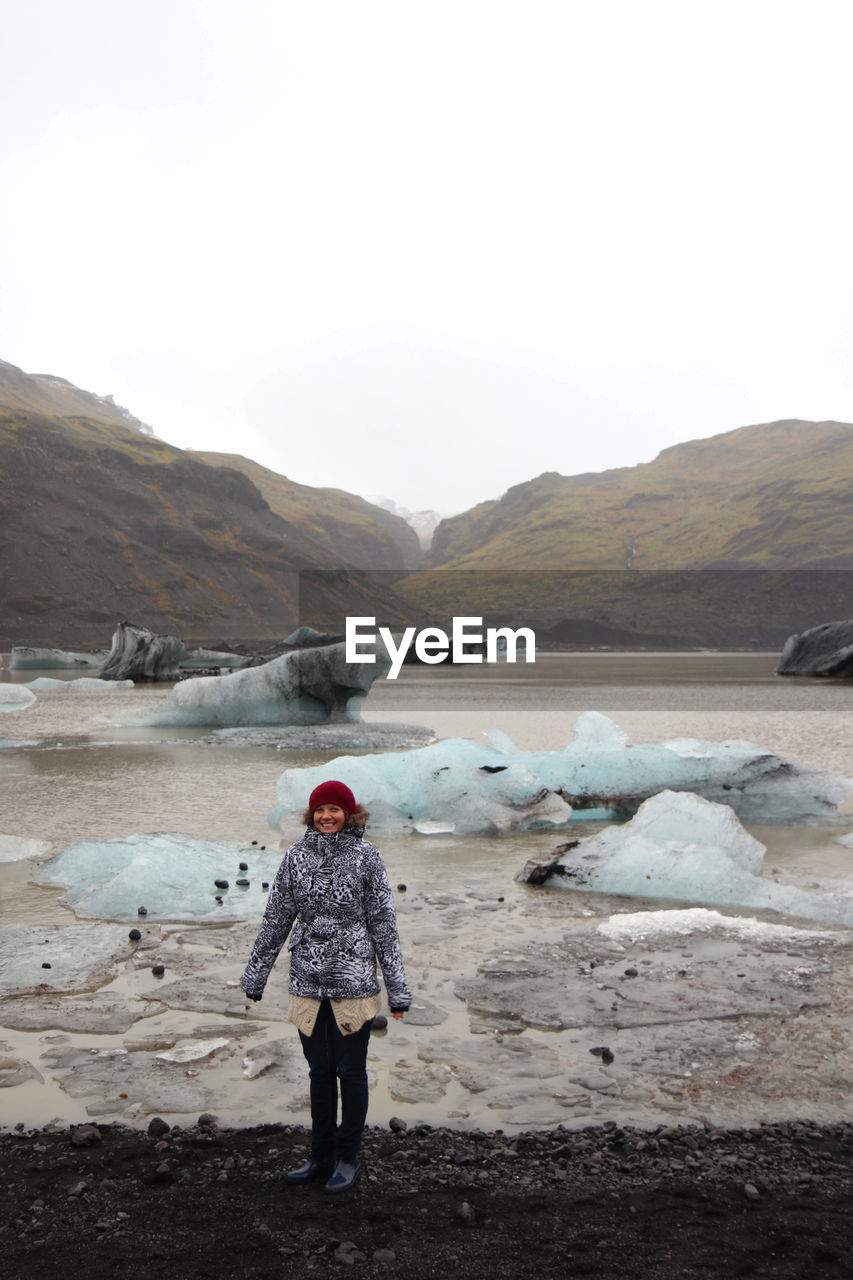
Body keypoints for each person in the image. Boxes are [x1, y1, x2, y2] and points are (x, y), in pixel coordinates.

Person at [240, 779, 411, 1194]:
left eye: (335, 809)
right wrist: (255, 974)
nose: (327, 816)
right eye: (320, 810)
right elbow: (277, 918)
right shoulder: (296, 857)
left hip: (352, 980)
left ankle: (348, 1157)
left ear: (349, 814)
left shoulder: (367, 857)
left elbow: (384, 925)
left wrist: (398, 988)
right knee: (319, 1071)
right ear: (311, 815)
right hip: (307, 980)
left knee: (350, 1071)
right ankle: (319, 1156)